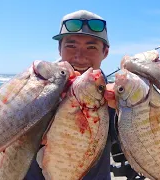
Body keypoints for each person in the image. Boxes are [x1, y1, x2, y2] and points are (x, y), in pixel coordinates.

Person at [24, 9, 116, 180]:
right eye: (71, 46)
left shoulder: (112, 97)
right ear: (59, 49)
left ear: (105, 52)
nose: (80, 56)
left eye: (91, 47)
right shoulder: (34, 88)